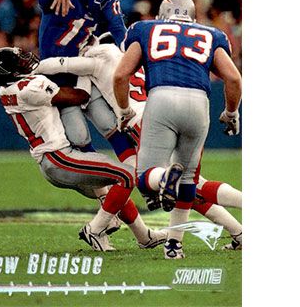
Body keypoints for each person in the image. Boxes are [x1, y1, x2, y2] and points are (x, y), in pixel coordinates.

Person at [34, 34, 242, 250]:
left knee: (191, 186)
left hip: (146, 123)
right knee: (187, 185)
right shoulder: (133, 56)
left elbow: (60, 64)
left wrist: (32, 69)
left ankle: (99, 226)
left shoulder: (98, 59)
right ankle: (238, 232)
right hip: (168, 113)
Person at [0, 46, 171, 252]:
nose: (25, 60)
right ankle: (95, 229)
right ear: (11, 72)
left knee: (111, 192)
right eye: (19, 61)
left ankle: (144, 236)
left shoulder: (5, 90)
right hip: (60, 158)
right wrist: (85, 72)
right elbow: (79, 97)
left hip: (50, 161)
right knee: (127, 176)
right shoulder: (31, 88)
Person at [113, 0, 242, 259]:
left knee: (145, 177)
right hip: (199, 103)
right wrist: (231, 113)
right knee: (189, 179)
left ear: (162, 14)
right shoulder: (213, 34)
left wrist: (124, 111)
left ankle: (163, 178)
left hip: (161, 98)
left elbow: (121, 74)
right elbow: (233, 79)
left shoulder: (144, 29)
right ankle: (174, 245)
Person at [34, 0, 136, 168]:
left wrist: (130, 56)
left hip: (83, 70)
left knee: (109, 124)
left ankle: (137, 174)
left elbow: (118, 29)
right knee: (79, 137)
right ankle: (106, 182)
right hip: (56, 75)